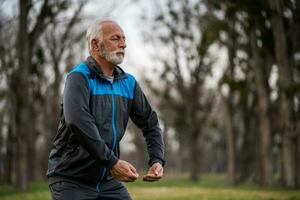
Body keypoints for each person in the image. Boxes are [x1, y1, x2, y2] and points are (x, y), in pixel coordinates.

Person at [47, 20, 165, 200]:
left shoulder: (129, 83)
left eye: (124, 39)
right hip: (70, 179)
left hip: (108, 181)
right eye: (115, 39)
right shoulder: (78, 78)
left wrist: (157, 159)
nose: (123, 44)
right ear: (95, 44)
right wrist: (112, 162)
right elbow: (77, 121)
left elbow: (150, 122)